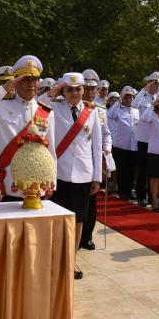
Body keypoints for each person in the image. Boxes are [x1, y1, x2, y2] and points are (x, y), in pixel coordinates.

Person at [0, 55, 56, 201]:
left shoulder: (46, 112)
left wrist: (52, 181)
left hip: (37, 183)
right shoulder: (0, 106)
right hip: (7, 181)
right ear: (16, 83)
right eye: (25, 80)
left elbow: (50, 149)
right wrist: (5, 87)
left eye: (34, 80)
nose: (31, 84)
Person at [49, 72, 102, 279]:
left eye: (78, 89)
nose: (74, 93)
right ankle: (56, 259)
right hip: (59, 172)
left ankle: (72, 259)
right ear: (63, 91)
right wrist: (52, 92)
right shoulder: (53, 108)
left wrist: (97, 177)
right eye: (69, 89)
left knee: (79, 219)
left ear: (83, 90)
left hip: (84, 173)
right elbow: (37, 106)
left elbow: (96, 146)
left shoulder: (92, 111)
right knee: (58, 219)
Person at [80, 69, 113, 251]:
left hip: (95, 160)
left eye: (93, 89)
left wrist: (107, 148)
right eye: (87, 88)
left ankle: (87, 236)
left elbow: (106, 133)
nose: (90, 92)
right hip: (77, 159)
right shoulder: (72, 107)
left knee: (91, 201)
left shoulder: (100, 111)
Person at [131, 71, 159, 207]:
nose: (157, 86)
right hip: (144, 138)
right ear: (149, 84)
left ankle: (152, 196)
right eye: (154, 84)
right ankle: (141, 196)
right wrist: (144, 89)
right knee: (142, 169)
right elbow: (134, 105)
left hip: (156, 138)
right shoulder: (142, 97)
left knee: (153, 170)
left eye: (158, 84)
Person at [108, 86, 139, 200]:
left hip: (133, 145)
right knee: (122, 170)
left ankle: (129, 191)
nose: (129, 100)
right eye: (126, 97)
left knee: (131, 170)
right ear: (122, 98)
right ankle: (122, 192)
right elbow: (109, 115)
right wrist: (118, 102)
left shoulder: (136, 111)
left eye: (131, 97)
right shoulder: (118, 110)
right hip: (121, 145)